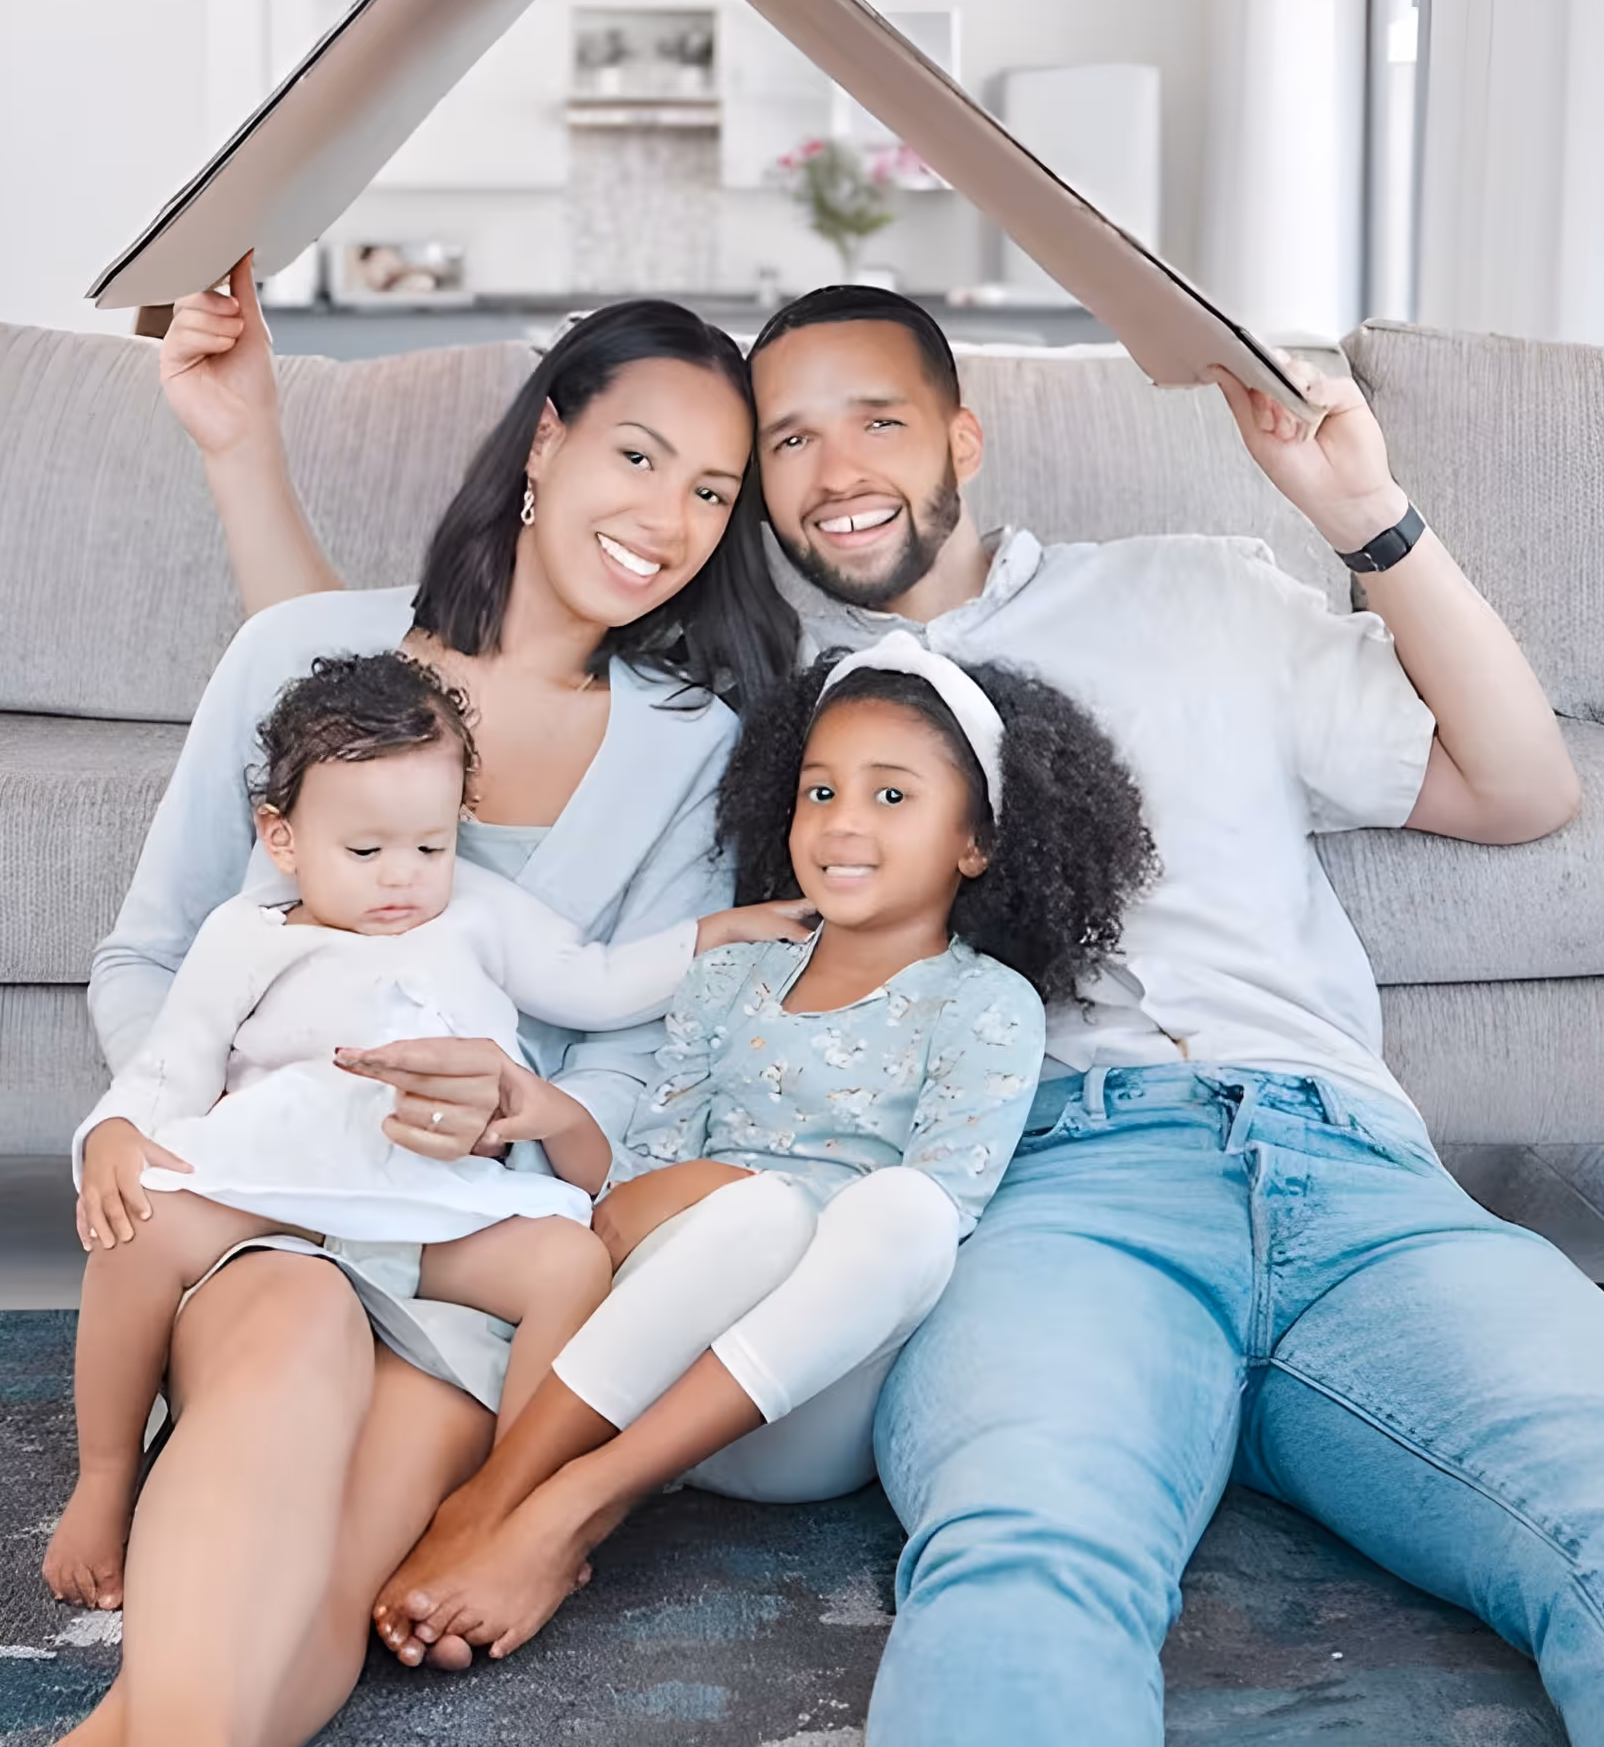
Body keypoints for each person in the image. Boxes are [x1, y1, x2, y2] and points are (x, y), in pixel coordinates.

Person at [118, 274, 1604, 1743]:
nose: (828, 469)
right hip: (1030, 1189)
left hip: (1349, 1167)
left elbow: (1520, 788)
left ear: (962, 435)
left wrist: (1366, 514)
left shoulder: (1196, 584)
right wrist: (243, 468)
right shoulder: (758, 698)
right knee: (1024, 1538)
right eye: (778, 446)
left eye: (869, 417)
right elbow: (401, 731)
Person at [0, 279, 798, 1747]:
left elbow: (639, 1071)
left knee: (336, 1583)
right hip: (270, 1212)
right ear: (547, 441)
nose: (668, 516)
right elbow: (152, 962)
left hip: (471, 1247)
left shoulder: (693, 744)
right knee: (288, 1332)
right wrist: (189, 1131)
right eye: (640, 455)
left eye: (714, 490)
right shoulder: (304, 659)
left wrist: (528, 1107)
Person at [367, 634, 1154, 1662]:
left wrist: (751, 1198)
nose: (840, 825)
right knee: (754, 1213)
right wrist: (595, 1135)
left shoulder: (984, 1007)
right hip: (648, 1348)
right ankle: (500, 1497)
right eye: (818, 793)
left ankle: (575, 1506)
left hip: (796, 1411)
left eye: (890, 796)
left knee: (904, 1210)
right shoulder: (727, 979)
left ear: (975, 843)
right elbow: (623, 1213)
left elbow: (931, 1235)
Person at [48, 648, 813, 1607]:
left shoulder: (480, 914)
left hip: (432, 1204)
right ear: (281, 838)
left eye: (431, 846)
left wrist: (717, 932)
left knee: (569, 1264)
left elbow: (598, 981)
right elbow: (173, 1063)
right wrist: (116, 1132)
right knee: (134, 1231)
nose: (402, 879)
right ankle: (105, 1477)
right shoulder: (249, 933)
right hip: (277, 1192)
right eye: (364, 854)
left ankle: (511, 1497)